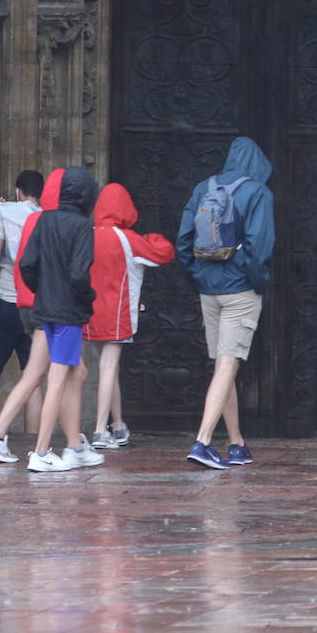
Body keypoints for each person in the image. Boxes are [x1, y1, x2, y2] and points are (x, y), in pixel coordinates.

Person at [176, 136, 275, 470]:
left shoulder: (204, 187)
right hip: (239, 290)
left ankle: (237, 443)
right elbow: (259, 247)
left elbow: (183, 242)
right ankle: (203, 442)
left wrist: (199, 275)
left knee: (223, 363)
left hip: (209, 289)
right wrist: (256, 282)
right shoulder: (257, 192)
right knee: (228, 364)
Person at [0, 170, 87, 465]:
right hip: (57, 309)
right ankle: (39, 447)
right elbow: (78, 273)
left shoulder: (11, 215)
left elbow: (2, 258)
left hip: (17, 300)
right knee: (50, 376)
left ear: (17, 190)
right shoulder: (63, 221)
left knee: (22, 373)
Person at [19, 166, 102, 472]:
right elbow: (80, 274)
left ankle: (75, 447)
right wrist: (88, 297)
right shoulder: (82, 226)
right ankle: (41, 452)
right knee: (57, 380)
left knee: (72, 372)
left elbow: (28, 263)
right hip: (68, 313)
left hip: (46, 308)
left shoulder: (45, 219)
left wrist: (42, 290)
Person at [85, 183, 175, 450]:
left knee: (106, 367)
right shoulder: (127, 238)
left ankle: (119, 425)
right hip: (117, 312)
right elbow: (164, 253)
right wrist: (154, 236)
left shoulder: (88, 234)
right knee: (109, 367)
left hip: (90, 310)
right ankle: (101, 430)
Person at [0, 170, 45, 433]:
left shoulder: (4, 212)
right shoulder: (45, 217)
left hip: (6, 298)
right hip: (35, 303)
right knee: (31, 376)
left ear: (18, 190)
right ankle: (33, 438)